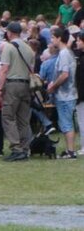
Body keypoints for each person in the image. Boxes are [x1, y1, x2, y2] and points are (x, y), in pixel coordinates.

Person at [0, 21, 35, 162]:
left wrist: (0, 88)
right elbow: (32, 70)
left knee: (8, 117)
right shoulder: (28, 48)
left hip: (13, 84)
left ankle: (16, 148)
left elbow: (4, 69)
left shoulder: (8, 47)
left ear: (9, 33)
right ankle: (25, 149)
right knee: (23, 119)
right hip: (26, 85)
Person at [47, 27, 77, 158]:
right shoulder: (66, 52)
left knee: (66, 123)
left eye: (53, 37)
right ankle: (69, 150)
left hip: (66, 95)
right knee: (65, 122)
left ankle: (70, 151)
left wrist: (53, 86)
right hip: (67, 94)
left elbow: (65, 74)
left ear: (59, 38)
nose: (51, 40)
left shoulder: (64, 53)